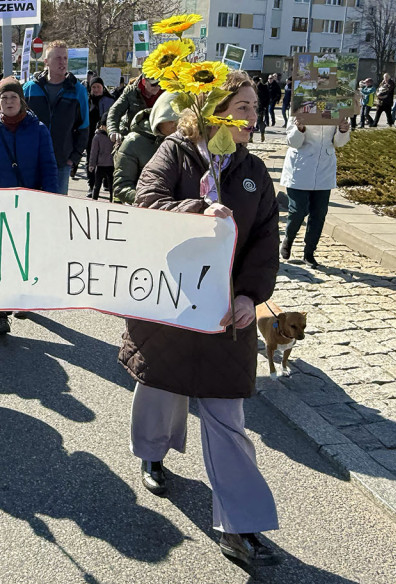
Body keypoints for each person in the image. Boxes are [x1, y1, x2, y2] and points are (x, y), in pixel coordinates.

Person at [119, 72, 281, 571]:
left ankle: (240, 525)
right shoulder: (175, 153)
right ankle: (152, 453)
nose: (252, 116)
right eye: (243, 107)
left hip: (225, 312)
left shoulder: (254, 171)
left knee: (227, 416)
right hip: (169, 304)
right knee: (159, 387)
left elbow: (265, 241)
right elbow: (146, 203)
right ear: (214, 110)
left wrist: (250, 296)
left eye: (255, 108)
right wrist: (196, 210)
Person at [0, 77, 59, 335]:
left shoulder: (39, 130)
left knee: (24, 255)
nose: (9, 102)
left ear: (21, 101)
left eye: (13, 97)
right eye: (4, 98)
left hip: (29, 204)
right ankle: (0, 313)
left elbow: (48, 167)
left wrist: (50, 201)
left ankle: (24, 297)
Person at [280, 112, 351, 268]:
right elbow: (292, 142)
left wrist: (343, 130)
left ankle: (309, 252)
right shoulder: (300, 108)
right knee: (298, 210)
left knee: (319, 213)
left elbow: (339, 143)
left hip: (324, 168)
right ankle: (289, 238)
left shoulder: (337, 109)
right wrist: (299, 128)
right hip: (300, 166)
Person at [24, 42, 89, 195]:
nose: (63, 62)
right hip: (31, 161)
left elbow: (84, 127)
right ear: (46, 61)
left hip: (60, 163)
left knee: (57, 206)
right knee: (31, 205)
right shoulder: (30, 88)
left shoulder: (78, 90)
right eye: (58, 58)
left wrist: (73, 158)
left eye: (65, 58)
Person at [112, 93, 179, 205]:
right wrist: (149, 200)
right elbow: (121, 186)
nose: (176, 126)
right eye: (172, 121)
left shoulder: (185, 141)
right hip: (144, 209)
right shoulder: (133, 142)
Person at [107, 73, 163, 145]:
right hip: (133, 137)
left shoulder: (165, 93)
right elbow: (115, 111)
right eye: (154, 84)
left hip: (157, 137)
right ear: (144, 82)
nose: (157, 87)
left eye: (160, 84)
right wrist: (113, 130)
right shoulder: (131, 91)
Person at [87, 76, 116, 192]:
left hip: (106, 135)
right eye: (93, 87)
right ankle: (91, 185)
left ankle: (106, 182)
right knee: (91, 158)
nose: (96, 89)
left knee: (107, 158)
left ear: (103, 87)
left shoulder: (110, 100)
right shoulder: (88, 100)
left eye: (98, 87)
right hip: (90, 135)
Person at [87, 122, 115, 201]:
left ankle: (111, 201)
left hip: (110, 165)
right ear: (102, 126)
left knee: (111, 187)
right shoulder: (97, 137)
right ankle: (94, 200)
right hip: (101, 165)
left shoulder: (112, 136)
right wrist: (92, 164)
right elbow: (94, 152)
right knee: (97, 185)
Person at [254, 75, 269, 141]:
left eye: (256, 82)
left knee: (259, 121)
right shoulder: (252, 87)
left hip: (260, 107)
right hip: (253, 106)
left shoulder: (264, 87)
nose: (255, 84)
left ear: (258, 81)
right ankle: (250, 137)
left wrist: (265, 106)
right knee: (251, 121)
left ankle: (262, 133)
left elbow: (267, 97)